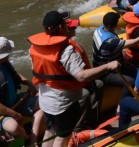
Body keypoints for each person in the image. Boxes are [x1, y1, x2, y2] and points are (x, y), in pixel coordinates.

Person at [28, 11, 120, 147]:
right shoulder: (66, 50)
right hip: (63, 103)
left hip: (45, 99)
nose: (67, 24)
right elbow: (81, 76)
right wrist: (108, 66)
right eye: (64, 23)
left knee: (49, 133)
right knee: (61, 138)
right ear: (60, 27)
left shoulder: (34, 47)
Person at [0, 37, 42, 145]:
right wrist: (15, 114)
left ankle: (33, 138)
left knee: (44, 103)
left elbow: (14, 74)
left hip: (12, 101)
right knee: (13, 127)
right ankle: (27, 139)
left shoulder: (2, 62)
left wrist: (29, 83)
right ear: (3, 55)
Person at [92, 12, 139, 98]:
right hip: (106, 72)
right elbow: (135, 41)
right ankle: (121, 104)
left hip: (106, 63)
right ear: (115, 25)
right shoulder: (110, 42)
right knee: (131, 82)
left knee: (138, 72)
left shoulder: (99, 30)